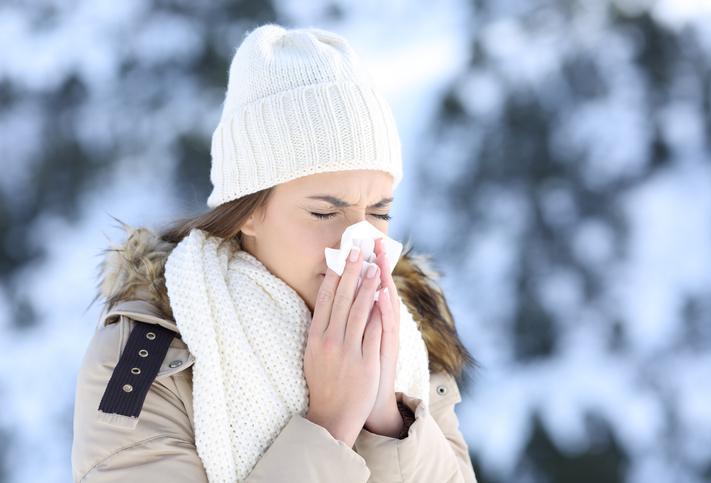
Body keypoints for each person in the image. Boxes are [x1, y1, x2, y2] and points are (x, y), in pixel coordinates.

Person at [71, 22, 479, 482]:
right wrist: (331, 423)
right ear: (248, 211)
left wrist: (386, 415)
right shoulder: (147, 356)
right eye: (325, 213)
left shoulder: (407, 333)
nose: (360, 245)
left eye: (380, 213)